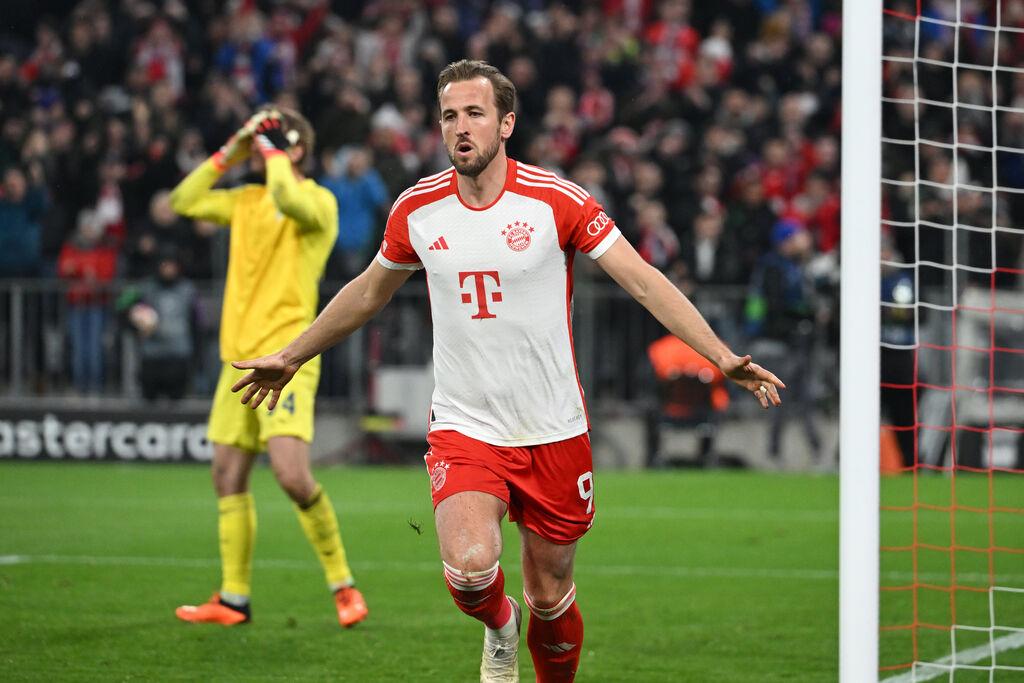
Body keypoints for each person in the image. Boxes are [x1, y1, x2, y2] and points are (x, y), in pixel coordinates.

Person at [230, 60, 783, 681]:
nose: (460, 128)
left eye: (474, 114)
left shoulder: (556, 201)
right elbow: (366, 293)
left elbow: (643, 281)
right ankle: (498, 625)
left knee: (550, 594)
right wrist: (293, 354)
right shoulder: (418, 209)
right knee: (470, 567)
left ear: (506, 123)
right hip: (467, 423)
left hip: (553, 426)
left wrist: (718, 353)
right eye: (448, 116)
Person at [167, 105, 368, 628]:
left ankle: (343, 585)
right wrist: (230, 151)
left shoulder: (318, 202)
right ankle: (234, 599)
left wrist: (276, 146)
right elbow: (182, 200)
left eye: (272, 143)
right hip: (236, 358)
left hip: (286, 359)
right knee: (226, 474)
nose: (260, 152)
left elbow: (286, 193)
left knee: (291, 476)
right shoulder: (246, 200)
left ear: (296, 149)